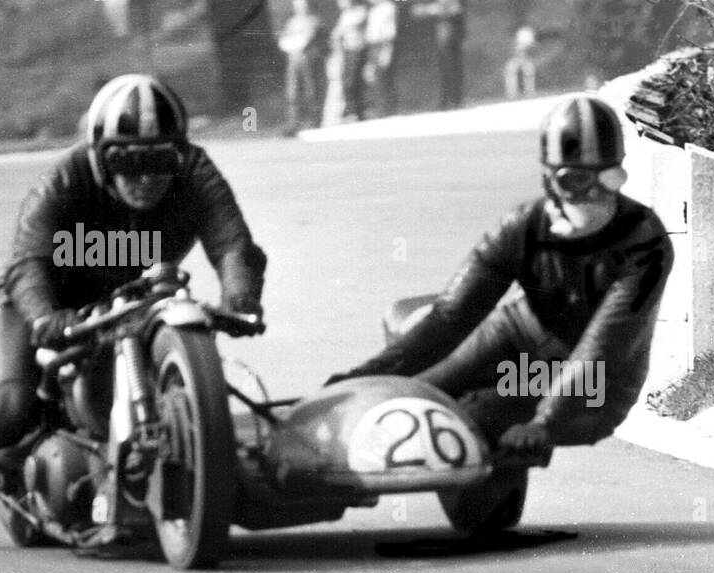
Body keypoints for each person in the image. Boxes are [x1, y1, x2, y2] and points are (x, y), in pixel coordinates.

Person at [0, 74, 268, 532]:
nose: (146, 177)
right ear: (98, 156)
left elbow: (233, 244)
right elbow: (26, 265)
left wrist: (241, 299)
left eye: (159, 159)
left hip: (135, 301)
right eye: (127, 161)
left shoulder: (197, 173)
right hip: (48, 305)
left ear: (180, 150)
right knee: (10, 411)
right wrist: (44, 317)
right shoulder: (62, 181)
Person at [323, 95, 674, 456]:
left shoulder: (647, 243)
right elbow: (450, 316)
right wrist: (364, 377)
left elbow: (602, 348)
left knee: (470, 419)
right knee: (403, 402)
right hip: (519, 335)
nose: (596, 196)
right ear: (551, 181)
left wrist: (545, 422)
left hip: (601, 385)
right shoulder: (523, 226)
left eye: (609, 179)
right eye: (577, 181)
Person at [277, 0, 324, 133]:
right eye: (298, 5)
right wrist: (291, 43)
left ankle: (314, 121)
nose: (301, 7)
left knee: (311, 90)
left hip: (308, 59)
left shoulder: (314, 20)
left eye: (303, 4)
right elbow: (283, 40)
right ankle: (293, 123)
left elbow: (307, 39)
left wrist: (295, 42)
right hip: (294, 59)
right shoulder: (292, 22)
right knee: (293, 91)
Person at [413, 0, 466, 110]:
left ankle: (454, 100)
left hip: (450, 34)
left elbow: (454, 9)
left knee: (451, 67)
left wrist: (431, 9)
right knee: (444, 67)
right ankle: (447, 100)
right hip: (443, 34)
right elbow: (416, 11)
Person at [332, 0, 369, 122]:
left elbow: (355, 25)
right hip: (347, 50)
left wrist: (343, 29)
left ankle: (359, 112)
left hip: (358, 49)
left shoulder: (360, 11)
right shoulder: (345, 14)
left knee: (354, 80)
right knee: (346, 81)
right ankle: (350, 111)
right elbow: (337, 32)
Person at [364, 0, 398, 118]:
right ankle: (380, 109)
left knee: (382, 76)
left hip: (382, 45)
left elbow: (389, 32)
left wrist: (386, 51)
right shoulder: (373, 10)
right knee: (373, 78)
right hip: (373, 46)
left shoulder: (388, 7)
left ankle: (387, 110)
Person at [504, 26, 536, 100]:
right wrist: (518, 53)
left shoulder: (527, 34)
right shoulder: (519, 36)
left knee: (529, 72)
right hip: (517, 57)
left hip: (525, 57)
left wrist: (524, 53)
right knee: (510, 71)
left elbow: (531, 47)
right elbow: (515, 49)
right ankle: (512, 94)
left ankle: (529, 93)